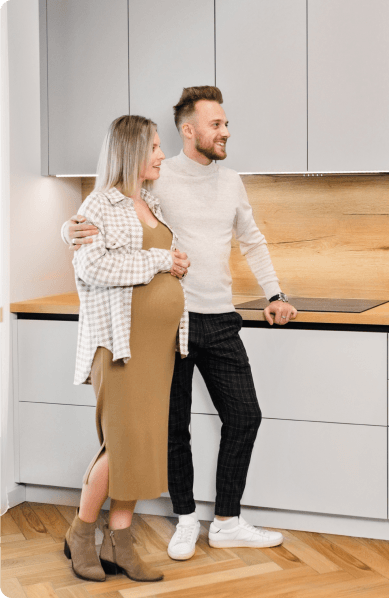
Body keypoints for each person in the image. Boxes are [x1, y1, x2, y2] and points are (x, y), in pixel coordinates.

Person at [63, 86, 297, 561]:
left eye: (226, 123)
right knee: (174, 427)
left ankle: (227, 520)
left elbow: (252, 241)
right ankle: (186, 519)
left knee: (245, 416)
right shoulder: (157, 177)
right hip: (172, 328)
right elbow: (103, 209)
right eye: (217, 124)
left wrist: (275, 293)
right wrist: (66, 229)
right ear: (188, 130)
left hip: (220, 318)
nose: (226, 131)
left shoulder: (231, 181)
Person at [65, 115, 190, 582]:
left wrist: (177, 262)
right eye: (155, 146)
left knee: (142, 445)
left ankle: (119, 541)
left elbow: (157, 263)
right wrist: (162, 259)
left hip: (155, 348)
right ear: (132, 150)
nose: (161, 154)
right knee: (121, 444)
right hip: (119, 344)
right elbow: (94, 267)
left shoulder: (150, 202)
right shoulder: (99, 204)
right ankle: (80, 535)